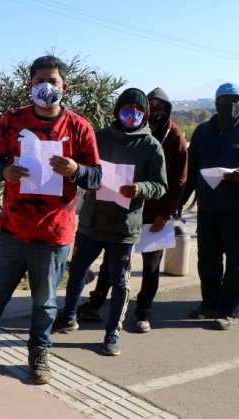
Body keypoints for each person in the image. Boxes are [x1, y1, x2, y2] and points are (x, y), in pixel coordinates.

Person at [0, 55, 102, 384]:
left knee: (45, 301)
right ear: (30, 86)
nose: (46, 87)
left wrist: (76, 170)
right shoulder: (13, 120)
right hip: (11, 229)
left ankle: (39, 355)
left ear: (63, 87)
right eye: (39, 81)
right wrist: (3, 170)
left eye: (52, 81)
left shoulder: (79, 127)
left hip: (54, 233)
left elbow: (96, 176)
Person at [53, 87, 167, 356]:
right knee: (78, 271)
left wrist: (141, 188)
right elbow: (82, 168)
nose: (133, 115)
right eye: (128, 110)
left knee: (120, 282)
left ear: (145, 115)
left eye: (138, 112)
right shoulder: (100, 136)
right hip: (92, 221)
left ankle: (112, 331)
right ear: (118, 110)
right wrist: (83, 177)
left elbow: (161, 185)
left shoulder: (151, 146)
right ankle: (69, 316)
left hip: (123, 226)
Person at [76, 87, 188, 333]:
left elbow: (178, 181)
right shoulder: (121, 134)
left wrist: (164, 214)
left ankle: (143, 312)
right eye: (152, 105)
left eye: (161, 107)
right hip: (122, 212)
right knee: (111, 264)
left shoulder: (174, 137)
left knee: (150, 266)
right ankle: (95, 304)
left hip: (153, 215)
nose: (156, 111)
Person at [182, 82, 239, 330]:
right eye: (226, 100)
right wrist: (179, 203)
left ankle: (228, 311)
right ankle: (210, 304)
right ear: (216, 103)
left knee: (236, 263)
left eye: (237, 100)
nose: (232, 105)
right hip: (207, 208)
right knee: (208, 260)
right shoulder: (203, 131)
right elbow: (191, 170)